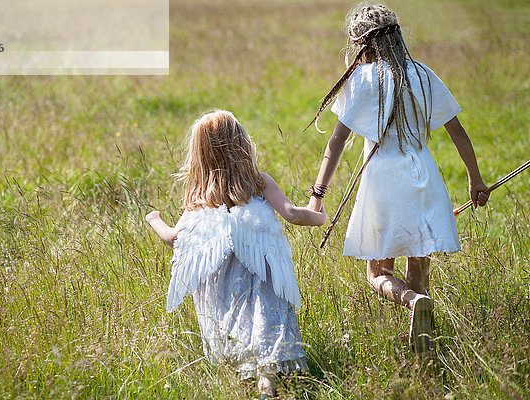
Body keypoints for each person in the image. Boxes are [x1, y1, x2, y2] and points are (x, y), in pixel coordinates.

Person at [305, 4, 489, 353]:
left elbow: (338, 141)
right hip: (425, 178)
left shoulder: (362, 79)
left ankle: (408, 300)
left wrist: (319, 193)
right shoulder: (422, 74)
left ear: (361, 44)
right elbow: (458, 131)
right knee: (419, 267)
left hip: (384, 181)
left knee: (378, 274)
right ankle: (423, 343)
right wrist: (475, 181)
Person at [145, 110, 326, 398]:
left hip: (225, 284)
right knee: (266, 325)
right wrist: (319, 215)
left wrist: (153, 219)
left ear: (200, 154)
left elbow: (173, 238)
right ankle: (267, 389)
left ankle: (249, 385)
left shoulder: (199, 194)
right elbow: (292, 214)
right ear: (241, 143)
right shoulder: (258, 182)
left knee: (240, 328)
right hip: (263, 273)